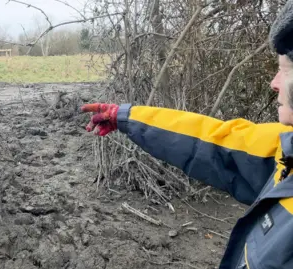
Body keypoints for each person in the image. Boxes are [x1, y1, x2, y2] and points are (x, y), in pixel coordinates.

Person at [81, 1, 293, 268]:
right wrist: (126, 117)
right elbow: (211, 141)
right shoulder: (285, 149)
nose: (273, 83)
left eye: (284, 69)